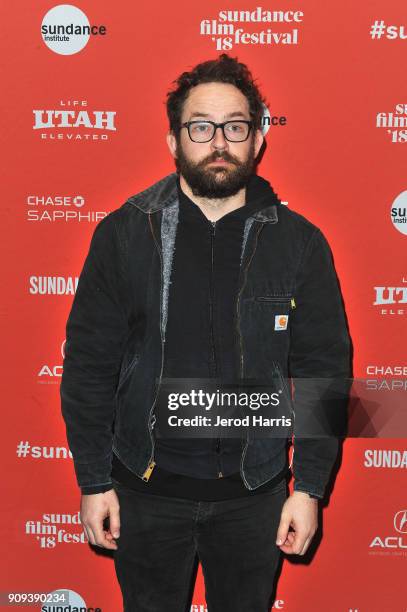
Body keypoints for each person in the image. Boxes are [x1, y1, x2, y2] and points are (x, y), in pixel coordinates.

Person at [60, 53, 351, 611]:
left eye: (235, 127)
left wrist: (309, 489)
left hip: (255, 497)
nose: (218, 141)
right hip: (143, 493)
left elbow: (325, 374)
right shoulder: (124, 234)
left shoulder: (300, 243)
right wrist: (94, 480)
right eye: (200, 127)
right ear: (174, 141)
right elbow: (88, 367)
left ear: (257, 138)